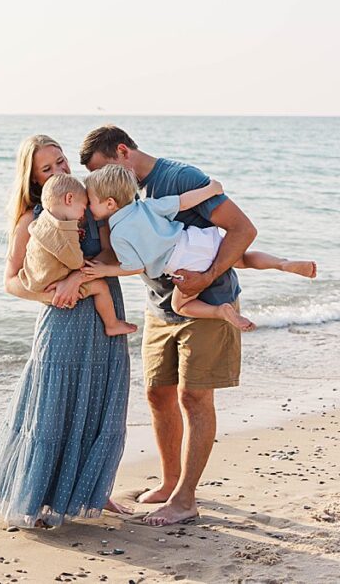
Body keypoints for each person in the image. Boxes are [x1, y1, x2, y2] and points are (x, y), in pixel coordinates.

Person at [78, 124, 310, 526]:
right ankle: (169, 483)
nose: (100, 185)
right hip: (159, 307)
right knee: (157, 395)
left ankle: (186, 499)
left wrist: (207, 276)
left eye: (102, 171)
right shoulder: (124, 192)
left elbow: (243, 229)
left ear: (122, 153)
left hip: (209, 299)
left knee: (194, 398)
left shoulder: (178, 177)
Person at [0, 134, 131, 528]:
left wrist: (77, 276)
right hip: (62, 321)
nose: (60, 170)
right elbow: (10, 280)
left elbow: (113, 253)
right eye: (48, 168)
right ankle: (39, 499)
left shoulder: (92, 206)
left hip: (102, 310)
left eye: (61, 161)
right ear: (35, 180)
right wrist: (54, 292)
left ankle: (93, 491)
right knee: (53, 410)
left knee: (100, 404)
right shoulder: (32, 220)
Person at [80, 165, 316, 332]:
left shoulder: (118, 234)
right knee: (241, 258)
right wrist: (212, 189)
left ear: (110, 203)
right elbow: (183, 201)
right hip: (198, 240)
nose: (89, 207)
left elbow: (135, 266)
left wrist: (104, 271)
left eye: (91, 201)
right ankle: (282, 263)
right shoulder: (148, 206)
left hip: (184, 265)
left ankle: (221, 311)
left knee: (179, 305)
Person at [18, 173, 137, 337]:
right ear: (69, 199)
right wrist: (82, 267)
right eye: (84, 206)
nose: (84, 211)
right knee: (101, 287)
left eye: (60, 161)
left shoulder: (43, 220)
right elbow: (75, 262)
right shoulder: (64, 229)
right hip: (54, 285)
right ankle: (112, 324)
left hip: (35, 278)